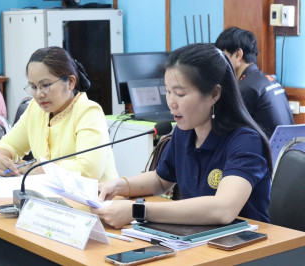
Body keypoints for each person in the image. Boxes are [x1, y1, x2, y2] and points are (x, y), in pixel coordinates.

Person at [91, 43, 272, 229]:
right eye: (167, 91)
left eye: (180, 93)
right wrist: (117, 185)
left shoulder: (246, 141)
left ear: (214, 94)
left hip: (246, 247)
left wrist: (138, 210)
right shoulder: (184, 131)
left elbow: (224, 209)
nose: (171, 102)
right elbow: (160, 180)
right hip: (197, 237)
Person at [0, 46, 118, 182]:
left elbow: (89, 170)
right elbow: (9, 144)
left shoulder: (88, 112)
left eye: (45, 85)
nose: (39, 94)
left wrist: (36, 168)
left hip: (98, 199)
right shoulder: (36, 108)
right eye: (33, 87)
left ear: (70, 82)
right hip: (54, 197)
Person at [215, 27, 294, 138]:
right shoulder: (269, 80)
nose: (221, 62)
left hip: (270, 153)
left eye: (224, 55)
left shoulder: (245, 87)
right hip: (289, 151)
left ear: (238, 55)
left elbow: (226, 128)